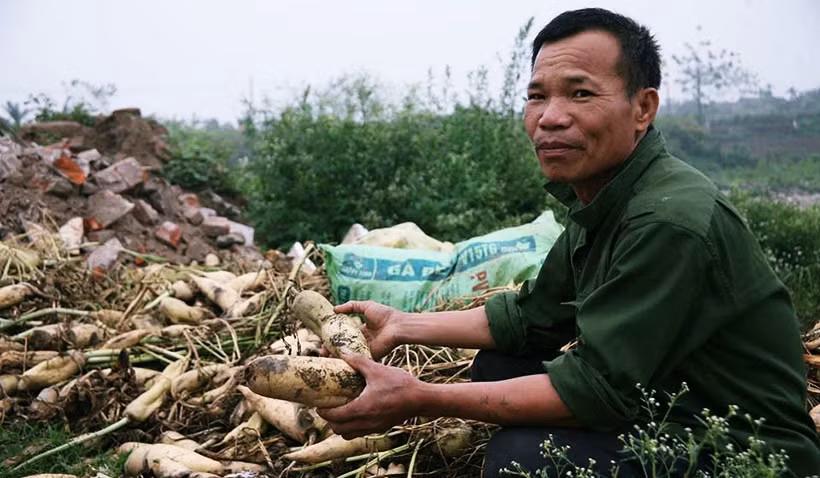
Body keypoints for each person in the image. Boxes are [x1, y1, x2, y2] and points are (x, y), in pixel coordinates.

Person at [316, 8, 820, 477]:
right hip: (660, 403)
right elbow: (532, 317)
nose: (550, 117)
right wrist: (403, 324)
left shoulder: (667, 221)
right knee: (500, 363)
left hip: (741, 446)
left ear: (642, 107)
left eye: (580, 94)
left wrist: (420, 396)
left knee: (521, 460)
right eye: (538, 96)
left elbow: (595, 390)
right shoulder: (603, 195)